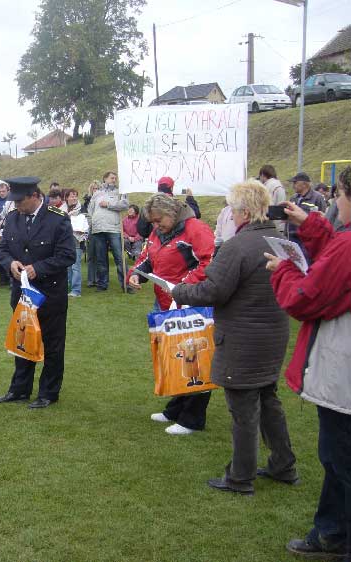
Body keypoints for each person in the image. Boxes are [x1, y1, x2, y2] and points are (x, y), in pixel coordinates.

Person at [172, 180, 297, 495]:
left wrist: (179, 290)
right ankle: (283, 465)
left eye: (232, 209)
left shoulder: (238, 246)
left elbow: (214, 290)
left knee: (243, 409)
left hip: (243, 339)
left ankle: (240, 477)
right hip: (273, 334)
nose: (231, 214)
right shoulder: (279, 239)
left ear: (244, 212)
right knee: (268, 399)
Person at [267, 165, 351, 562]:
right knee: (338, 459)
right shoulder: (343, 242)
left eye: (339, 196)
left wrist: (283, 268)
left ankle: (336, 536)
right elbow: (336, 257)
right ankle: (331, 533)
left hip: (342, 369)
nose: (336, 203)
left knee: (340, 459)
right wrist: (311, 224)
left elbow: (303, 297)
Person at [128, 193, 215, 435]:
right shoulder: (158, 233)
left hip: (192, 304)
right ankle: (176, 408)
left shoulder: (195, 229)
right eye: (153, 222)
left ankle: (193, 418)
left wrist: (185, 285)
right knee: (175, 357)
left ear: (172, 213)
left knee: (194, 360)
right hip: (166, 303)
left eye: (158, 220)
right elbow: (147, 257)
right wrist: (136, 274)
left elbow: (209, 262)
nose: (156, 226)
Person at [0, 177, 76, 409]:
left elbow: (67, 255)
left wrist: (38, 268)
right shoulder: (12, 217)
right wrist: (9, 263)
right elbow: (3, 248)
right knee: (22, 340)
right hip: (22, 294)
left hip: (50, 293)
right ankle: (19, 389)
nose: (17, 205)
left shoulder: (57, 219)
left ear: (35, 196)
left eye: (20, 201)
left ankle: (48, 392)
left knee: (52, 344)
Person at [89, 171, 128, 293]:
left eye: (115, 178)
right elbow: (90, 210)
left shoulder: (120, 192)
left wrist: (108, 204)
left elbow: (125, 205)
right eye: (112, 178)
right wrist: (92, 222)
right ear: (105, 179)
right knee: (101, 259)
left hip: (113, 229)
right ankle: (102, 284)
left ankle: (126, 284)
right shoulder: (96, 193)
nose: (114, 180)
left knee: (119, 257)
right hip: (98, 229)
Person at [286, 172, 327, 258]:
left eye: (295, 183)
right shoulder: (293, 198)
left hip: (307, 240)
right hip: (292, 237)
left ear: (304, 184)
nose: (293, 185)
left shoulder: (318, 198)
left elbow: (323, 219)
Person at [65, 189, 87, 298]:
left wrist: (83, 229)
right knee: (68, 266)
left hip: (77, 241)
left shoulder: (82, 209)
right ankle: (68, 288)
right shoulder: (63, 210)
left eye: (75, 196)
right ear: (67, 198)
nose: (74, 198)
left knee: (75, 266)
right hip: (66, 241)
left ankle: (76, 290)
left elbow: (87, 223)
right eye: (72, 196)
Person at [0, 182, 14, 285]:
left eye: (3, 191)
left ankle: (11, 278)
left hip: (11, 232)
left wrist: (1, 223)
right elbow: (2, 216)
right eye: (0, 191)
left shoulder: (12, 201)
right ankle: (3, 277)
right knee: (1, 252)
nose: (1, 193)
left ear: (8, 191)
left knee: (12, 253)